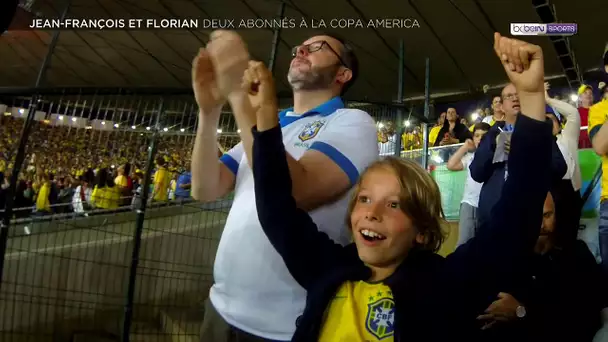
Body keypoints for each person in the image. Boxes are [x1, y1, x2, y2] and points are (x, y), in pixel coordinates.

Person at [251, 33, 555, 341]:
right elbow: (276, 208)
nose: (372, 213)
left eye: (394, 204)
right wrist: (263, 115)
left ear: (421, 230)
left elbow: (516, 216)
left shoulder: (444, 286)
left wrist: (530, 97)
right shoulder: (327, 268)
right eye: (365, 199)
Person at [192, 31, 378, 341]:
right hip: (221, 308)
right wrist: (209, 113)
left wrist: (239, 97)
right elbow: (205, 188)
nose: (302, 49)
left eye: (318, 47)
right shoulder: (270, 125)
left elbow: (293, 190)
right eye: (300, 47)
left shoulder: (352, 122)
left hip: (283, 326)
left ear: (343, 73)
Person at [477, 187, 608, 342]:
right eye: (532, 216)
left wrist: (522, 313)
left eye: (547, 215)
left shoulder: (576, 256)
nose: (540, 225)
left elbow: (583, 321)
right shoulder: (504, 258)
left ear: (556, 215)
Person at [470, 82, 567, 228]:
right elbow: (476, 173)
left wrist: (530, 154)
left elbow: (559, 168)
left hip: (533, 218)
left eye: (519, 95)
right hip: (494, 219)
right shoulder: (491, 135)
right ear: (501, 106)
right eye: (509, 96)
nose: (515, 99)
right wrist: (494, 146)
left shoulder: (540, 132)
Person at [447, 122, 491, 246]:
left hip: (487, 204)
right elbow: (451, 165)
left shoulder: (496, 156)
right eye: (476, 135)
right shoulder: (471, 156)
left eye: (484, 135)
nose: (480, 138)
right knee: (464, 243)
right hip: (470, 203)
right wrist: (465, 147)